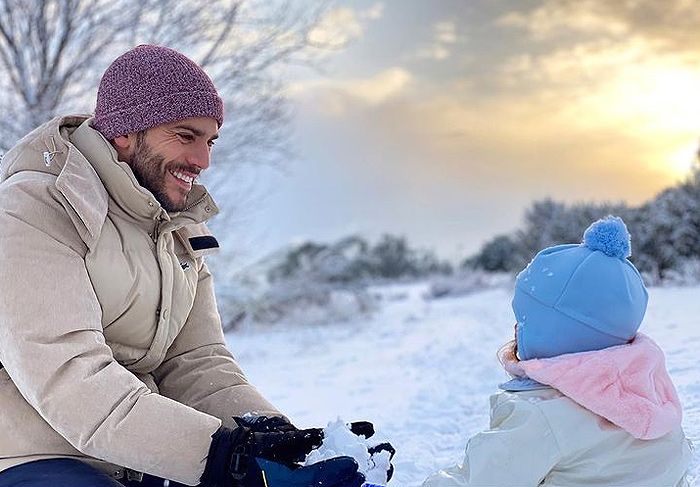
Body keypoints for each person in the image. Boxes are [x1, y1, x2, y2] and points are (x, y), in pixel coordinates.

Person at [0, 45, 392, 487]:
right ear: (125, 131)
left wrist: (277, 441)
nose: (203, 161)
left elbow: (196, 363)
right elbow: (69, 378)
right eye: (186, 136)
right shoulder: (34, 208)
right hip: (30, 456)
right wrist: (226, 458)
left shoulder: (176, 231)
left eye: (209, 141)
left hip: (137, 455)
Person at [423, 216, 692, 487]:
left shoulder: (543, 417)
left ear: (558, 335)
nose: (517, 328)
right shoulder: (656, 404)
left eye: (526, 320)